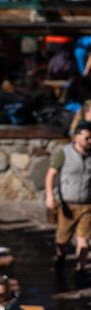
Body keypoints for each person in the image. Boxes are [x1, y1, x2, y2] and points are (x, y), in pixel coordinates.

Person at [45, 122, 91, 286]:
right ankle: (61, 259)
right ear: (77, 137)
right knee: (62, 240)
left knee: (83, 239)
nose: (90, 141)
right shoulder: (64, 153)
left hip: (87, 204)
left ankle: (80, 270)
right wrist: (50, 196)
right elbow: (51, 174)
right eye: (87, 137)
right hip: (67, 204)